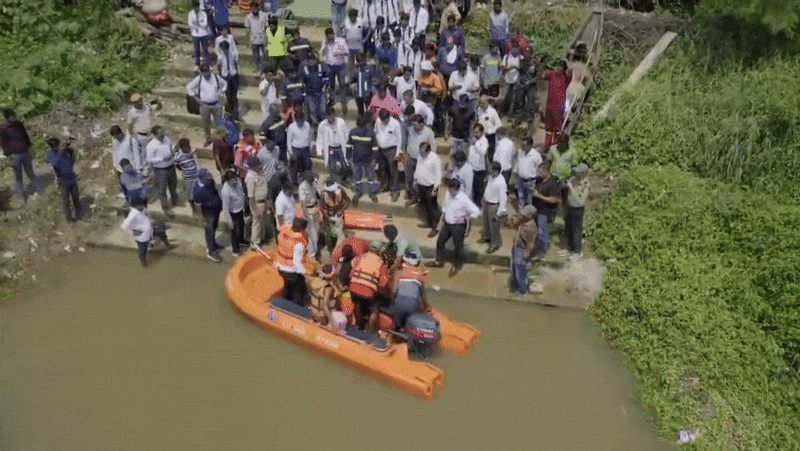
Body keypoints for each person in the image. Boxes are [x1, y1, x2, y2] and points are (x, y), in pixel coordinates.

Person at [427, 178, 481, 274]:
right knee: (440, 241)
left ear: (457, 189)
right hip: (447, 224)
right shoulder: (448, 194)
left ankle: (457, 265)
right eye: (449, 189)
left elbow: (476, 211)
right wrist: (440, 223)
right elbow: (445, 208)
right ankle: (439, 261)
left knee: (458, 246)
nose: (450, 192)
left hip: (458, 226)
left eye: (452, 190)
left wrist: (468, 217)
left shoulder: (463, 199)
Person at [349, 240, 391, 330]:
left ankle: (357, 324)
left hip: (353, 288)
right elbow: (383, 284)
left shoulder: (361, 257)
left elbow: (351, 274)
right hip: (368, 292)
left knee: (357, 303)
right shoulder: (381, 263)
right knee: (375, 308)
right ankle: (370, 328)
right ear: (379, 251)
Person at [121, 197, 173, 267]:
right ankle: (143, 263)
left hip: (148, 230)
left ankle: (168, 245)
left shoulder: (142, 210)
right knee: (142, 249)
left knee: (161, 231)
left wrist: (154, 223)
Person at [386, 250, 430, 330]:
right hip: (413, 305)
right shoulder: (419, 275)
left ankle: (393, 330)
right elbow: (423, 297)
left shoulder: (399, 272)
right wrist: (426, 309)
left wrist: (390, 300)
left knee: (393, 317)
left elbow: (394, 291)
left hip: (400, 302)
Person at [276, 217, 310, 305]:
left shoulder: (284, 231)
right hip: (291, 270)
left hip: (280, 266)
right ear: (302, 229)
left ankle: (286, 299)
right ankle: (295, 306)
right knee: (296, 290)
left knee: (287, 287)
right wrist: (305, 273)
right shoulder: (299, 243)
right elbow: (297, 262)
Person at [46, 137, 81, 222]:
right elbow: (55, 163)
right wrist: (61, 152)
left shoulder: (63, 152)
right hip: (62, 179)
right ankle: (68, 218)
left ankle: (79, 214)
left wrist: (70, 151)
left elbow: (72, 159)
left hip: (71, 176)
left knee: (76, 196)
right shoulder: (51, 154)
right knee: (66, 199)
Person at [146, 126, 179, 215]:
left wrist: (173, 151)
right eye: (160, 133)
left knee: (173, 185)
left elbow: (170, 148)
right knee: (162, 190)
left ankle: (174, 200)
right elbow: (149, 159)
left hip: (171, 167)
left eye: (162, 132)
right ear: (155, 134)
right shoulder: (151, 145)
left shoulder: (166, 139)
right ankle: (165, 207)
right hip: (160, 170)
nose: (162, 134)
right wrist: (160, 159)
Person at [347, 115, 380, 205]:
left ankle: (372, 192)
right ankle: (358, 192)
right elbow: (349, 145)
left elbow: (375, 147)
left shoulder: (371, 133)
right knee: (357, 177)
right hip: (357, 159)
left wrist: (374, 158)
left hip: (368, 159)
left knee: (371, 177)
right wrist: (349, 157)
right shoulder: (353, 132)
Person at [186, 64, 227, 136]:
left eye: (207, 71)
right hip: (204, 105)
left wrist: (222, 92)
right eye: (204, 72)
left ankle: (220, 137)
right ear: (201, 72)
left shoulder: (215, 77)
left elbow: (224, 84)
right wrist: (196, 99)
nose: (206, 74)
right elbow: (189, 87)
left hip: (216, 105)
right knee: (206, 123)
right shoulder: (199, 79)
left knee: (219, 123)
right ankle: (208, 136)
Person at [404, 114, 436, 203]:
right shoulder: (411, 130)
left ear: (421, 124)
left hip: (422, 160)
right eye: (414, 124)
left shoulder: (429, 132)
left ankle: (415, 196)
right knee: (409, 177)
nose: (415, 127)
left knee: (417, 179)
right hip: (411, 158)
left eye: (416, 125)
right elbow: (408, 142)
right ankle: (410, 191)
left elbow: (433, 147)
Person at [193, 169, 224, 262]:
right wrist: (201, 218)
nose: (210, 178)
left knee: (214, 227)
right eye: (207, 177)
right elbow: (198, 205)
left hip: (216, 209)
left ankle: (213, 244)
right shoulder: (198, 189)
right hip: (207, 212)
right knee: (209, 230)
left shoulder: (210, 182)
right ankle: (211, 251)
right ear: (202, 178)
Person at [532, 162, 560, 258]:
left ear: (546, 171)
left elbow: (553, 199)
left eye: (540, 172)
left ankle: (542, 251)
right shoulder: (539, 180)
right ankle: (541, 246)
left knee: (543, 231)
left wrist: (538, 196)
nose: (539, 173)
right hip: (538, 209)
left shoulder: (552, 183)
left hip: (547, 211)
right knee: (539, 230)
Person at [542, 60, 572, 149]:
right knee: (548, 127)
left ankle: (555, 145)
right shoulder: (551, 74)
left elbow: (570, 74)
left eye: (560, 68)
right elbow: (543, 76)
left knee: (557, 128)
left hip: (559, 107)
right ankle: (546, 145)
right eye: (557, 67)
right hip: (549, 106)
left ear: (564, 69)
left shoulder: (565, 78)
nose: (558, 69)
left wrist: (569, 71)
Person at [414, 142, 442, 236]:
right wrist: (415, 179)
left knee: (432, 208)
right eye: (420, 152)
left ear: (428, 151)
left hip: (430, 187)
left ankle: (435, 228)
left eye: (423, 153)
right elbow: (418, 167)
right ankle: (428, 222)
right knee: (424, 205)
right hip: (421, 185)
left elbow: (438, 174)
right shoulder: (420, 156)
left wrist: (435, 188)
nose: (421, 154)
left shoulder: (434, 159)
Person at [316, 106, 350, 182]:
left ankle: (345, 179)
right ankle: (334, 182)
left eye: (332, 115)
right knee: (332, 166)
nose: (331, 117)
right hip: (330, 148)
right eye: (329, 116)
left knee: (344, 165)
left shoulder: (341, 122)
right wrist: (319, 150)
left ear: (334, 114)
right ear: (327, 116)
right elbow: (319, 138)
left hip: (340, 147)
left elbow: (346, 132)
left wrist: (346, 141)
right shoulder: (322, 125)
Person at [563, 162, 589, 261]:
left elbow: (581, 202)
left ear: (583, 173)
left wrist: (571, 188)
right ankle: (570, 249)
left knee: (576, 231)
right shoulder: (573, 180)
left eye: (578, 172)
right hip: (570, 207)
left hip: (578, 209)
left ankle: (578, 252)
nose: (576, 173)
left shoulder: (586, 185)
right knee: (569, 229)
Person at [510, 205, 538, 294]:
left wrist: (525, 256)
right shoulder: (523, 222)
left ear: (530, 216)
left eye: (524, 214)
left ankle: (522, 290)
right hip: (516, 247)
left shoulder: (531, 228)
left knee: (521, 270)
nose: (522, 215)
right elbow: (513, 225)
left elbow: (530, 244)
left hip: (522, 250)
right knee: (514, 267)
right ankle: (515, 286)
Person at [374, 110, 402, 200]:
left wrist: (398, 152)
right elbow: (376, 133)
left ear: (389, 117)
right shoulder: (378, 121)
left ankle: (395, 190)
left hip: (391, 149)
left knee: (393, 169)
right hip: (380, 149)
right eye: (382, 120)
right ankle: (384, 185)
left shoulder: (395, 124)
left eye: (385, 120)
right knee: (382, 168)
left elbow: (399, 138)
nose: (383, 122)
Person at [110, 125, 143, 200]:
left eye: (116, 135)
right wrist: (115, 165)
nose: (116, 138)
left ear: (120, 132)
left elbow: (136, 154)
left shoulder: (131, 140)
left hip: (131, 168)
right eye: (114, 136)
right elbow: (114, 153)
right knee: (125, 188)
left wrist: (138, 168)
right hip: (120, 169)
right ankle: (129, 201)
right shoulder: (115, 142)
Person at [321, 27, 350, 113]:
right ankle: (332, 100)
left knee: (342, 84)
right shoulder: (325, 42)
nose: (330, 37)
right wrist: (325, 44)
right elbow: (322, 53)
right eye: (328, 36)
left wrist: (338, 53)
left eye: (331, 35)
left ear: (333, 34)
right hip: (330, 66)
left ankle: (344, 102)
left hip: (340, 66)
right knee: (331, 84)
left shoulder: (341, 41)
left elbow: (347, 51)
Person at [480, 161, 507, 254]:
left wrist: (499, 213)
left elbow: (503, 198)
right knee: (486, 222)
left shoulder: (501, 182)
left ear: (496, 170)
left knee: (494, 226)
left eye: (491, 169)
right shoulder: (491, 177)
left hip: (494, 205)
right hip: (487, 202)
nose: (489, 171)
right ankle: (487, 237)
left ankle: (494, 244)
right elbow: (488, 188)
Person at [245, 156, 272, 246]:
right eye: (258, 165)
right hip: (257, 203)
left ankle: (261, 239)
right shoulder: (251, 177)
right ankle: (255, 242)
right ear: (253, 167)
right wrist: (255, 209)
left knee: (262, 222)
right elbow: (251, 196)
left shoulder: (260, 172)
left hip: (263, 201)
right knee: (257, 223)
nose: (260, 166)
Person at [221, 169, 247, 256]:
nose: (235, 181)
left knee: (242, 226)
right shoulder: (226, 191)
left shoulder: (238, 182)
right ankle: (235, 250)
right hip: (233, 213)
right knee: (234, 231)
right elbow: (225, 207)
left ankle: (241, 240)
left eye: (235, 178)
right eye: (232, 180)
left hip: (240, 209)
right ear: (228, 180)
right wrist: (229, 220)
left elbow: (241, 193)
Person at [321, 178, 350, 251]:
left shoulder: (340, 191)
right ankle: (331, 247)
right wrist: (326, 214)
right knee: (331, 233)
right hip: (330, 214)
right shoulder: (323, 194)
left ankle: (340, 247)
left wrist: (342, 210)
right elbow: (322, 206)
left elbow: (347, 201)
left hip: (339, 212)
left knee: (339, 230)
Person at [298, 170, 321, 259]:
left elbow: (316, 194)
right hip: (308, 211)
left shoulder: (314, 183)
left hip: (315, 208)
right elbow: (302, 202)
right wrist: (305, 214)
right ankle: (312, 253)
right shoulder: (302, 187)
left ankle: (315, 248)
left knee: (317, 230)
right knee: (312, 233)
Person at [514, 137, 542, 209]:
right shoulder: (520, 152)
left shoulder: (536, 155)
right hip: (520, 179)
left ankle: (529, 212)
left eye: (524, 145)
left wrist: (537, 178)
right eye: (522, 144)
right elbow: (518, 162)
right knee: (520, 196)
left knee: (530, 198)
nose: (522, 146)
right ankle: (521, 210)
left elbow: (540, 167)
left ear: (530, 145)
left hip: (530, 181)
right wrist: (516, 171)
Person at [302, 52, 328, 127]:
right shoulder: (305, 69)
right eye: (310, 59)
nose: (312, 61)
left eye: (313, 59)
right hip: (310, 94)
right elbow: (302, 82)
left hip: (320, 92)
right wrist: (304, 94)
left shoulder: (321, 67)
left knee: (323, 110)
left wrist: (327, 88)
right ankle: (315, 125)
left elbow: (326, 78)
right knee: (313, 110)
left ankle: (324, 124)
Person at [173, 138, 199, 213]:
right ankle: (194, 210)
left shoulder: (191, 153)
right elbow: (177, 165)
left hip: (196, 176)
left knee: (198, 193)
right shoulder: (178, 157)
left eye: (188, 145)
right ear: (182, 147)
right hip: (188, 179)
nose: (189, 147)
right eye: (186, 146)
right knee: (190, 195)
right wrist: (184, 170)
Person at [286, 111, 313, 181]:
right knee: (295, 168)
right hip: (295, 150)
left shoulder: (307, 125)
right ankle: (294, 182)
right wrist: (290, 152)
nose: (301, 122)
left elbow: (310, 138)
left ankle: (305, 181)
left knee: (307, 166)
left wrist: (310, 149)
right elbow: (289, 141)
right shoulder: (291, 127)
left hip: (305, 149)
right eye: (299, 120)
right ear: (296, 119)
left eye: (302, 120)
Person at [217, 40, 240, 119]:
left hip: (233, 76)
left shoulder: (233, 54)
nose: (225, 51)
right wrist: (221, 76)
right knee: (228, 96)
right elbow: (219, 66)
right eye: (223, 49)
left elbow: (236, 62)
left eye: (226, 49)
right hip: (226, 77)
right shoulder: (220, 56)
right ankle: (230, 112)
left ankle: (236, 113)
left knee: (234, 96)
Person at [467, 122, 488, 205]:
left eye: (477, 132)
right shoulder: (474, 139)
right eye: (474, 132)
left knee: (478, 191)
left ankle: (477, 206)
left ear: (482, 132)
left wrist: (475, 144)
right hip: (471, 168)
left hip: (479, 170)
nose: (475, 134)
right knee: (471, 190)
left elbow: (482, 152)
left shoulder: (484, 141)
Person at [244, 1, 268, 72]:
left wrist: (267, 38)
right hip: (254, 40)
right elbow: (247, 30)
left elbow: (267, 27)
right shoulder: (248, 17)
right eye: (252, 9)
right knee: (256, 56)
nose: (254, 10)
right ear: (250, 9)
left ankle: (267, 69)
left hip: (263, 39)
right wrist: (247, 41)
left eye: (255, 8)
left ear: (258, 8)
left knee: (266, 55)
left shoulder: (263, 15)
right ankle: (258, 68)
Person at [477, 95, 501, 162]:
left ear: (487, 102)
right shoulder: (479, 110)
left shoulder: (492, 112)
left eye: (483, 103)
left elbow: (499, 125)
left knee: (490, 155)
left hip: (490, 136)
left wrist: (489, 131)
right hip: (481, 136)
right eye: (480, 103)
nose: (481, 105)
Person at [449, 94, 474, 158]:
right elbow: (448, 120)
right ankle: (452, 164)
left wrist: (470, 136)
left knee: (464, 155)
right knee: (453, 154)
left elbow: (472, 125)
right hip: (454, 135)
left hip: (465, 137)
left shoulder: (471, 112)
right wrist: (447, 131)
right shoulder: (453, 109)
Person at [188, 0, 211, 66]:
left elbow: (205, 23)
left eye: (197, 7)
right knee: (197, 49)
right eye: (195, 7)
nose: (196, 8)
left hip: (204, 33)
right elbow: (190, 24)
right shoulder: (190, 14)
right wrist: (197, 25)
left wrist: (197, 24)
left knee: (205, 49)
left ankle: (207, 62)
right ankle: (197, 62)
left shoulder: (203, 13)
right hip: (195, 34)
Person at [345, 9, 364, 75]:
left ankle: (362, 75)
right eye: (351, 18)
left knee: (361, 62)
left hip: (359, 46)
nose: (353, 19)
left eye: (354, 17)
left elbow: (368, 29)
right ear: (349, 17)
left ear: (356, 16)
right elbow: (340, 29)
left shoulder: (361, 21)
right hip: (349, 46)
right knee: (350, 64)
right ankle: (350, 77)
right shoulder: (346, 22)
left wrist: (365, 39)